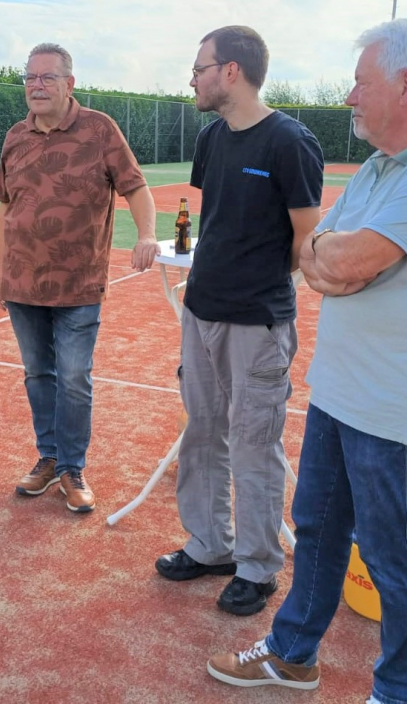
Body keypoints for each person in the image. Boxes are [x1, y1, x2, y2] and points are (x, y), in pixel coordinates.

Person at [205, 19, 407, 703]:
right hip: (340, 389)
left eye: (361, 83)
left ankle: (398, 694)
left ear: (405, 84)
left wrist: (341, 257)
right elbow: (317, 254)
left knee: (394, 564)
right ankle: (292, 655)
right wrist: (337, 258)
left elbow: (348, 258)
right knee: (317, 530)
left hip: (397, 407)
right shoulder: (376, 167)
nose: (349, 96)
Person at [154, 26, 324, 616]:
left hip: (257, 324)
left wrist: (265, 294)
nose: (193, 79)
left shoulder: (290, 142)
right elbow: (219, 222)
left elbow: (307, 241)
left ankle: (257, 565)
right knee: (202, 432)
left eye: (199, 68)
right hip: (200, 312)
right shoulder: (212, 138)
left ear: (231, 71)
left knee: (254, 444)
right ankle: (211, 546)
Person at [0, 43, 159, 514]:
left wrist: (146, 234)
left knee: (73, 378)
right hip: (22, 283)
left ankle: (72, 467)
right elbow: (6, 207)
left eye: (47, 77)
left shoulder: (99, 128)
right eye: (30, 78)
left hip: (79, 284)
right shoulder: (14, 136)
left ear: (70, 83)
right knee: (37, 375)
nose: (37, 85)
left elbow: (135, 187)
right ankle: (47, 459)